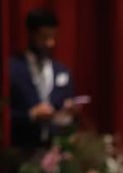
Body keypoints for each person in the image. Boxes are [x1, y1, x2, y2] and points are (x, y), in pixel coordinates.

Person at [9, 7, 79, 153]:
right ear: (31, 34)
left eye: (53, 36)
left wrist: (69, 113)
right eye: (44, 37)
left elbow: (66, 117)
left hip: (56, 153)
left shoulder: (62, 71)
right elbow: (1, 116)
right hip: (20, 152)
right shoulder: (12, 69)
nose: (50, 43)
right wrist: (31, 115)